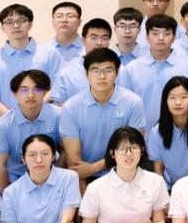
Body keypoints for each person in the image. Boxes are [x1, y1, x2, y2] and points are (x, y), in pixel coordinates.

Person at [60, 48, 148, 189]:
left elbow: (132, 150)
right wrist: (85, 197)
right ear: (86, 73)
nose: (102, 76)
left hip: (123, 172)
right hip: (85, 176)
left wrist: (94, 168)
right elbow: (75, 164)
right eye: (95, 71)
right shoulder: (71, 107)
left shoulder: (133, 102)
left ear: (117, 73)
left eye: (108, 70)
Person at [77, 128, 169, 223]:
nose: (129, 153)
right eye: (122, 149)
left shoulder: (156, 181)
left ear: (142, 151)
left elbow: (159, 221)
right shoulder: (96, 187)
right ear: (112, 153)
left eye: (134, 148)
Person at [0, 4, 61, 112]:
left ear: (30, 24)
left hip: (43, 118)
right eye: (9, 22)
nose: (16, 26)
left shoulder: (50, 54)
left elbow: (55, 88)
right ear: (2, 28)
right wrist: (12, 117)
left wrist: (34, 112)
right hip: (5, 119)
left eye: (21, 20)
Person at [0, 70, 62, 193]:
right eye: (24, 90)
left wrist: (57, 176)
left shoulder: (59, 116)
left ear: (45, 92)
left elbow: (66, 150)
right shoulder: (3, 125)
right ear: (14, 93)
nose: (30, 95)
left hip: (51, 176)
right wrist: (6, 196)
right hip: (17, 178)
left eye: (37, 89)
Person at [119, 13, 188, 122]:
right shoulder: (132, 69)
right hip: (140, 129)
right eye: (155, 33)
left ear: (174, 38)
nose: (161, 38)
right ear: (147, 37)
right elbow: (124, 104)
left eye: (167, 34)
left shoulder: (187, 67)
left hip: (178, 129)